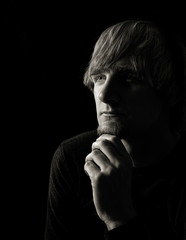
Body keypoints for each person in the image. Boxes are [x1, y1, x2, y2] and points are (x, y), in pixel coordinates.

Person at [44, 19, 186, 240]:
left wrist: (119, 219)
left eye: (128, 77)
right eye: (99, 77)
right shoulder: (73, 159)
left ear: (170, 90)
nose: (103, 94)